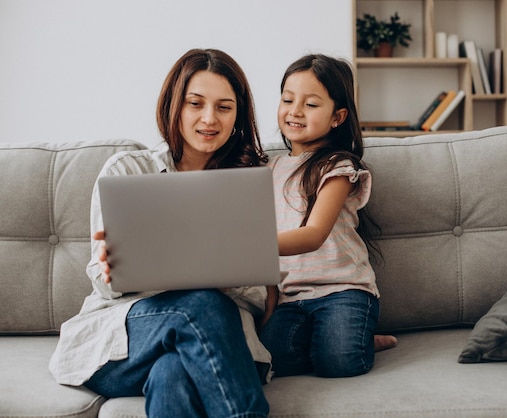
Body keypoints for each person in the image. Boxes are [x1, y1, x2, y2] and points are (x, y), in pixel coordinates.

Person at [49, 48, 271, 418]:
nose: (209, 118)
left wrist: (221, 277)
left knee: (173, 373)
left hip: (218, 347)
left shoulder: (250, 184)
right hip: (126, 345)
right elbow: (102, 281)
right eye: (195, 103)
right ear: (173, 105)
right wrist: (112, 271)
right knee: (199, 305)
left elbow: (260, 296)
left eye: (224, 107)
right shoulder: (129, 169)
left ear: (239, 115)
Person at [260, 54, 396, 379]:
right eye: (288, 99)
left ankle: (357, 340)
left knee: (339, 362)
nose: (294, 111)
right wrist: (270, 305)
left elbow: (315, 233)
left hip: (343, 289)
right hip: (292, 296)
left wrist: (252, 246)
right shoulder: (268, 169)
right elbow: (266, 260)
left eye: (310, 104)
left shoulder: (336, 167)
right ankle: (346, 340)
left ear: (337, 117)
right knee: (273, 360)